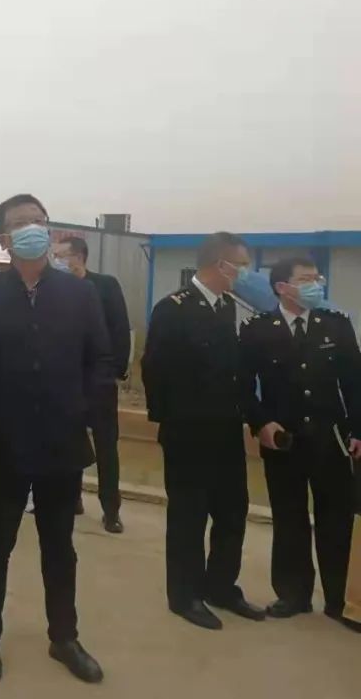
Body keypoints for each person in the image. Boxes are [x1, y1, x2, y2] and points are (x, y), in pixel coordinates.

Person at [0, 195, 108, 685]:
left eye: (38, 221)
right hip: (0, 447)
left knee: (59, 546)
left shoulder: (78, 294)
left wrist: (82, 411)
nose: (31, 229)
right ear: (4, 238)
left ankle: (64, 636)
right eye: (20, 223)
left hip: (60, 444)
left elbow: (100, 360)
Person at [142, 232, 266, 630]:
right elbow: (154, 370)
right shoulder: (174, 308)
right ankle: (185, 595)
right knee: (189, 518)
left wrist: (253, 417)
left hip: (225, 431)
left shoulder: (228, 307)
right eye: (240, 265)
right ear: (220, 265)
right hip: (188, 434)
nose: (244, 272)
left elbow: (236, 373)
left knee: (232, 512)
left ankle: (221, 587)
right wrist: (171, 422)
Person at [239, 256, 361, 632]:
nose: (315, 285)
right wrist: (260, 422)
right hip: (283, 441)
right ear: (282, 288)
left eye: (316, 278)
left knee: (337, 519)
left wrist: (358, 430)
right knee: (289, 517)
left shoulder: (336, 324)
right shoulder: (257, 329)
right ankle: (293, 594)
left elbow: (355, 382)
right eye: (306, 279)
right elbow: (242, 385)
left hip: (331, 440)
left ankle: (341, 600)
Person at [54, 236, 131, 533]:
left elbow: (120, 328)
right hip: (66, 381)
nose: (56, 260)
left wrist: (115, 373)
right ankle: (72, 499)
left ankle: (111, 509)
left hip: (100, 381)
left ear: (78, 256)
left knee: (106, 446)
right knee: (70, 442)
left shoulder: (106, 286)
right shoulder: (55, 289)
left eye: (61, 255)